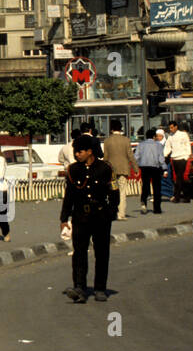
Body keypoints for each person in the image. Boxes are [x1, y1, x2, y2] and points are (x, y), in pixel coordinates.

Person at [59, 135, 119, 303]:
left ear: (90, 151)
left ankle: (100, 288)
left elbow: (114, 191)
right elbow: (69, 196)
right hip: (80, 217)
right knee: (79, 253)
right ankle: (79, 287)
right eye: (76, 152)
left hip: (101, 217)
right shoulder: (73, 170)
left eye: (81, 151)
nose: (77, 154)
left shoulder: (105, 168)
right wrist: (64, 218)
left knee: (101, 253)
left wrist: (111, 212)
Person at [102, 119, 139, 221]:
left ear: (111, 129)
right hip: (123, 169)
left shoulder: (107, 141)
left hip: (111, 171)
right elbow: (130, 156)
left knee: (112, 192)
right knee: (122, 192)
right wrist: (136, 168)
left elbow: (105, 157)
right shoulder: (126, 140)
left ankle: (113, 213)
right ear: (120, 128)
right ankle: (121, 214)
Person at [135, 128, 166, 215]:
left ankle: (144, 202)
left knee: (145, 185)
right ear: (154, 136)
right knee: (157, 188)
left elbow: (136, 157)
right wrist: (165, 168)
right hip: (155, 168)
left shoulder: (141, 145)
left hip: (144, 168)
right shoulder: (159, 145)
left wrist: (137, 167)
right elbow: (161, 158)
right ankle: (157, 208)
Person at [164, 119, 193, 204]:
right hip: (174, 159)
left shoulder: (183, 134)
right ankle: (187, 197)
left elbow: (187, 144)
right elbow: (167, 147)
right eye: (170, 128)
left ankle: (177, 197)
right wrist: (165, 155)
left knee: (179, 178)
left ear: (176, 127)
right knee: (180, 178)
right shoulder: (170, 136)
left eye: (172, 127)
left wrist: (187, 156)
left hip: (182, 158)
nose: (171, 129)